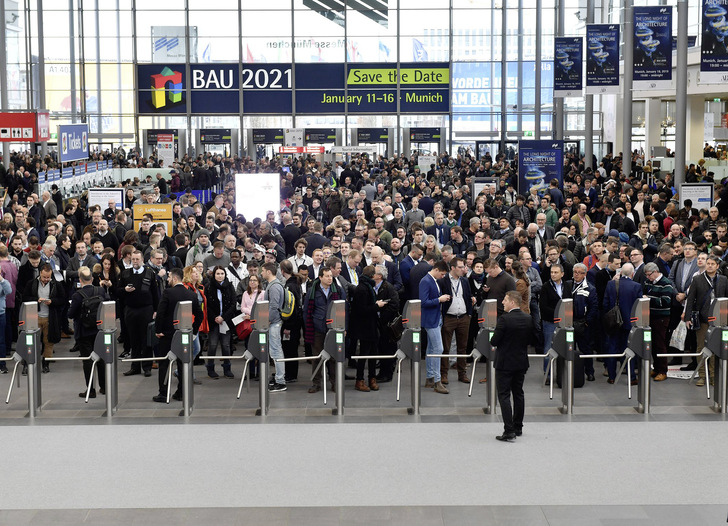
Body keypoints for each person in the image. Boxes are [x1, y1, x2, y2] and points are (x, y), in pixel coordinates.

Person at [153, 268, 203, 403]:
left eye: (169, 277)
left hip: (167, 335)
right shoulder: (191, 295)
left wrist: (158, 330)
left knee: (164, 364)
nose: (168, 279)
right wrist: (194, 330)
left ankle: (163, 393)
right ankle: (181, 392)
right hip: (184, 334)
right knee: (182, 363)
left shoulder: (168, 293)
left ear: (175, 278)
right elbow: (200, 315)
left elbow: (161, 313)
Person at [490, 290, 533, 442]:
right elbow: (532, 339)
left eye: (505, 300)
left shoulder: (504, 319)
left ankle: (509, 431)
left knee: (504, 395)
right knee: (519, 393)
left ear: (512, 302)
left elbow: (494, 341)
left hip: (505, 363)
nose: (503, 302)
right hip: (521, 361)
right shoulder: (528, 318)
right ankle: (518, 427)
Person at [684, 255, 728, 386]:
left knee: (716, 347)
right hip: (702, 318)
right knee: (701, 347)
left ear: (717, 266)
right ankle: (702, 375)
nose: (709, 265)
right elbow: (690, 299)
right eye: (708, 263)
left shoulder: (723, 280)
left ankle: (714, 375)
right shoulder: (697, 279)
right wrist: (687, 317)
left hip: (719, 318)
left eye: (712, 264)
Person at [68, 266, 109, 398]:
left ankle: (90, 389)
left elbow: (71, 314)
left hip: (83, 331)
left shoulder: (77, 295)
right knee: (101, 359)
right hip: (99, 330)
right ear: (91, 278)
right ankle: (104, 387)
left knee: (88, 361)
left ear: (80, 279)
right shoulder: (101, 291)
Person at [117, 250, 159, 377]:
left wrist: (156, 310)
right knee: (133, 339)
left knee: (146, 339)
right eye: (133, 259)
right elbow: (118, 291)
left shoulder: (149, 273)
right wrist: (125, 290)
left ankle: (147, 367)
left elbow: (155, 293)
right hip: (130, 310)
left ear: (142, 260)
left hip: (146, 310)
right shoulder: (125, 274)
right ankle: (135, 366)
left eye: (137, 259)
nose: (135, 262)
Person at [304, 266, 345, 393]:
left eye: (331, 276)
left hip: (333, 328)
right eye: (327, 276)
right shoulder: (312, 291)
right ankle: (316, 383)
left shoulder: (337, 290)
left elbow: (344, 309)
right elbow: (306, 311)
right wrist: (308, 326)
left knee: (333, 357)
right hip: (317, 328)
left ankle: (334, 383)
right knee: (317, 357)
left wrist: (343, 327)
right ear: (320, 277)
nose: (329, 279)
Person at [603, 263, 643, 384]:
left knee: (612, 348)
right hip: (629, 323)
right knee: (629, 349)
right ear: (632, 273)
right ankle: (631, 377)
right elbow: (639, 306)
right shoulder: (636, 286)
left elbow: (605, 304)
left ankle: (611, 376)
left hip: (613, 322)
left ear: (620, 273)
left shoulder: (610, 284)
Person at [350, 265, 388, 392]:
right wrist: (377, 306)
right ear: (372, 276)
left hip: (371, 326)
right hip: (365, 327)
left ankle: (372, 378)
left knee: (373, 354)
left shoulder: (367, 286)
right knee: (364, 355)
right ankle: (359, 380)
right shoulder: (362, 289)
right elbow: (362, 310)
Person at [22, 263, 64, 373]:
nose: (46, 279)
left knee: (48, 342)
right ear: (40, 273)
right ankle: (27, 363)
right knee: (31, 342)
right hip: (34, 317)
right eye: (44, 277)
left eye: (48, 277)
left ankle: (46, 363)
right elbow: (24, 298)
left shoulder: (56, 285)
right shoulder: (31, 283)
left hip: (50, 318)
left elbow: (63, 299)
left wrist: (52, 302)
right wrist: (36, 299)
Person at [439, 256, 473, 384]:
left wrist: (469, 313)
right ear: (452, 268)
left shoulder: (464, 281)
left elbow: (468, 296)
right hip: (449, 317)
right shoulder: (443, 281)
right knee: (445, 347)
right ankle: (444, 374)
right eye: (460, 267)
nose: (463, 269)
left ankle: (462, 373)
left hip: (463, 317)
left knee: (462, 347)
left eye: (464, 267)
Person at [420, 259, 451, 394]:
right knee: (439, 348)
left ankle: (430, 378)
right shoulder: (426, 281)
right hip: (431, 320)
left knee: (431, 348)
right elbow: (423, 301)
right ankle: (437, 381)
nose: (442, 277)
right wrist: (440, 299)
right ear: (436, 270)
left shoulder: (432, 280)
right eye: (442, 274)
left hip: (435, 318)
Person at [642, 262, 676, 382]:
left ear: (656, 272)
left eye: (649, 275)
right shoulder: (649, 282)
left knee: (660, 344)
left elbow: (665, 301)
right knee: (652, 345)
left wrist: (649, 299)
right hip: (650, 317)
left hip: (661, 318)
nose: (648, 277)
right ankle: (656, 368)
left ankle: (663, 370)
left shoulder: (666, 283)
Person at [204, 266, 237, 379]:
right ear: (214, 275)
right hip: (214, 321)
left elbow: (233, 303)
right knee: (212, 345)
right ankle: (210, 369)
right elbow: (206, 304)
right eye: (218, 273)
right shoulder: (208, 287)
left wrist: (223, 317)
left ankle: (227, 368)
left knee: (226, 345)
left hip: (225, 321)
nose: (220, 275)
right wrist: (215, 317)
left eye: (222, 273)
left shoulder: (230, 286)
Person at [261, 262, 287, 392]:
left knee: (276, 351)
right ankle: (279, 377)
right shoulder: (274, 285)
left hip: (274, 323)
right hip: (274, 322)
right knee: (275, 351)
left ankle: (281, 381)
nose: (261, 273)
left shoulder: (275, 287)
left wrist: (268, 320)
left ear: (269, 272)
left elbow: (274, 306)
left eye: (263, 270)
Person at [279, 260, 303, 383]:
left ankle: (291, 374)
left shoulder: (290, 286)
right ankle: (289, 372)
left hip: (291, 323)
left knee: (289, 348)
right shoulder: (296, 283)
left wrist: (287, 324)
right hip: (296, 322)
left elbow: (290, 308)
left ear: (282, 271)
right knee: (291, 348)